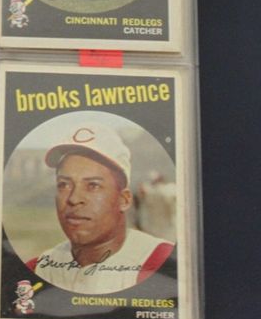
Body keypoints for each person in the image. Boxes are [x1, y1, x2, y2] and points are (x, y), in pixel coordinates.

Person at [25, 120, 174, 294]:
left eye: (93, 185)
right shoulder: (36, 268)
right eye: (64, 184)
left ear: (124, 199)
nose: (74, 198)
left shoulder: (163, 262)